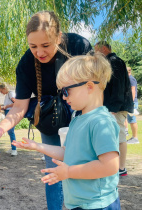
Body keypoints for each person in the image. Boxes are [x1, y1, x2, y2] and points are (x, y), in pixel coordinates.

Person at [0, 11, 92, 209]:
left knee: (84, 167)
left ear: (59, 37)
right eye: (33, 46)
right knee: (53, 171)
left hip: (83, 118)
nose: (39, 52)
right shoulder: (25, 64)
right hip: (50, 121)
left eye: (45, 45)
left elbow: (96, 85)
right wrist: (0, 129)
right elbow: (20, 107)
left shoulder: (78, 46)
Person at [13, 53, 121, 209]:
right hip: (80, 203)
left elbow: (109, 166)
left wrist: (69, 172)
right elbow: (67, 152)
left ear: (89, 87)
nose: (63, 97)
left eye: (66, 91)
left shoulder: (101, 122)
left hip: (98, 204)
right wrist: (36, 146)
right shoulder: (77, 119)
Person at [94, 41, 134, 177]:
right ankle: (115, 166)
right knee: (113, 136)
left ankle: (121, 168)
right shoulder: (111, 61)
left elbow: (118, 86)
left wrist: (114, 108)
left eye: (96, 51)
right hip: (113, 106)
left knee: (119, 136)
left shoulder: (114, 61)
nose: (95, 54)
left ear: (104, 49)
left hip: (116, 107)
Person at [0, 84, 17, 156]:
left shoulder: (10, 93)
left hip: (11, 113)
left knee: (11, 131)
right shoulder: (7, 95)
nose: (1, 93)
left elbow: (16, 102)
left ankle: (14, 150)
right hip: (7, 112)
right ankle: (13, 147)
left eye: (1, 91)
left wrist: (6, 106)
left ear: (4, 88)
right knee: (9, 131)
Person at [126, 67, 139, 144]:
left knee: (132, 120)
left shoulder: (131, 79)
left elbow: (133, 90)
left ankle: (135, 138)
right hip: (131, 102)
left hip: (132, 102)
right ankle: (134, 137)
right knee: (130, 120)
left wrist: (131, 102)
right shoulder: (129, 79)